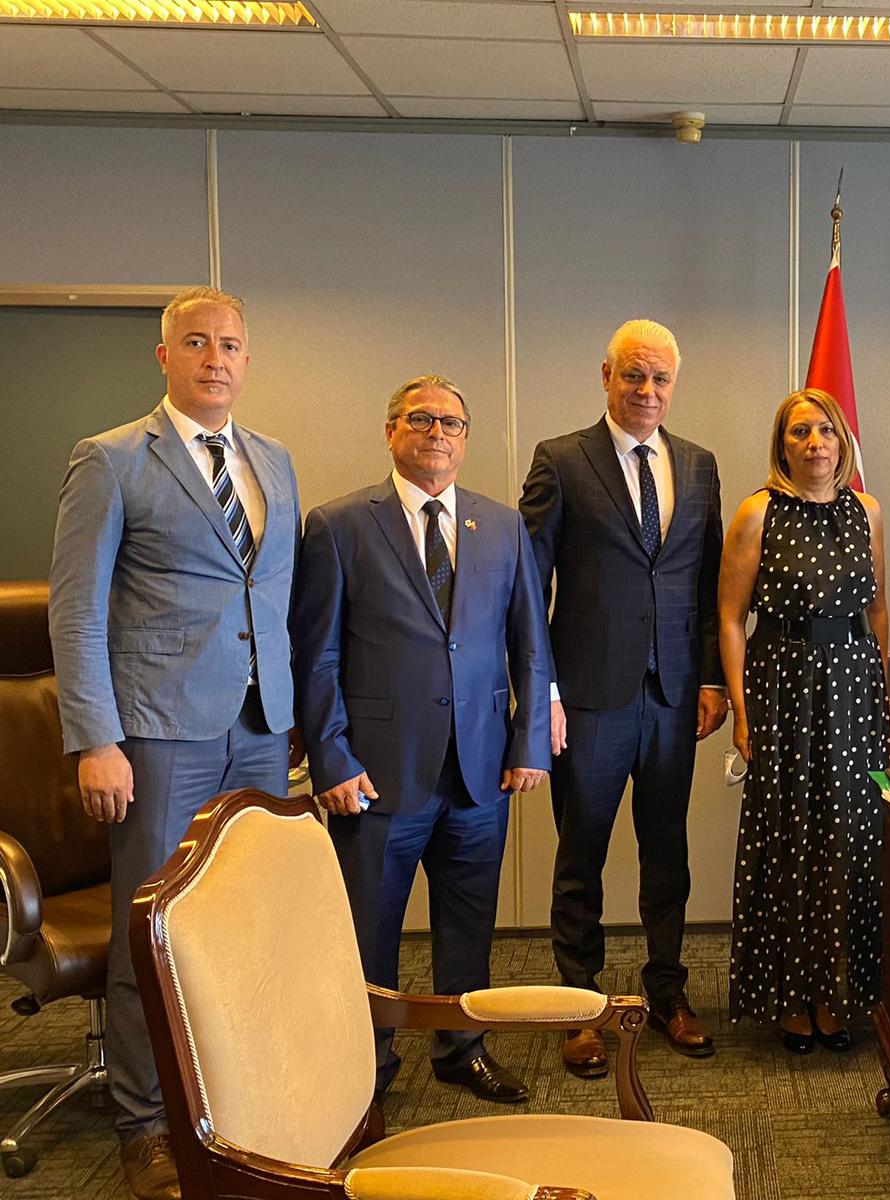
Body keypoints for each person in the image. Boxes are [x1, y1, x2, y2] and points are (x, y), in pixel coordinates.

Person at [48, 286, 299, 1200]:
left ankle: (232, 1105)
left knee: (242, 923)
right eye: (196, 342)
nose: (215, 358)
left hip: (261, 732)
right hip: (156, 734)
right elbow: (76, 612)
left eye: (230, 344)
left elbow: (272, 596)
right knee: (148, 929)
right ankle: (145, 1124)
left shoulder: (273, 459)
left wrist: (294, 714)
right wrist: (96, 739)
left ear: (246, 358)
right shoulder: (112, 459)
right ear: (165, 356)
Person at [291, 374, 553, 1104]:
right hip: (375, 774)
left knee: (469, 923)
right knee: (369, 929)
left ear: (466, 438)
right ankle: (366, 1063)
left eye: (451, 422)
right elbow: (317, 655)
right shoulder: (339, 524)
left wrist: (529, 742)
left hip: (479, 770)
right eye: (421, 419)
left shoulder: (502, 526)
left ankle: (462, 1048)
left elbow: (530, 644)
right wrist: (331, 758)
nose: (438, 432)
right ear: (391, 432)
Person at [520, 319, 727, 1078]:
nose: (647, 390)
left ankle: (667, 992)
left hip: (672, 698)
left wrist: (711, 678)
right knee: (583, 855)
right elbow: (526, 586)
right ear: (605, 375)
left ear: (674, 384)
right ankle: (580, 1004)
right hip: (588, 699)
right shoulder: (561, 459)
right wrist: (542, 691)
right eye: (633, 375)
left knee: (666, 855)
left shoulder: (698, 465)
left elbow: (708, 582)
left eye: (660, 378)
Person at [719, 388, 890, 1053]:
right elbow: (731, 618)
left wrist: (879, 699)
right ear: (782, 445)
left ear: (842, 440)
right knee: (791, 839)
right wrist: (742, 712)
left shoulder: (867, 512)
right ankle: (790, 997)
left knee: (849, 841)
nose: (814, 443)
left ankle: (837, 994)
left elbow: (877, 610)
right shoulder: (758, 511)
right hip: (782, 688)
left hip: (852, 692)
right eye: (799, 432)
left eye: (825, 430)